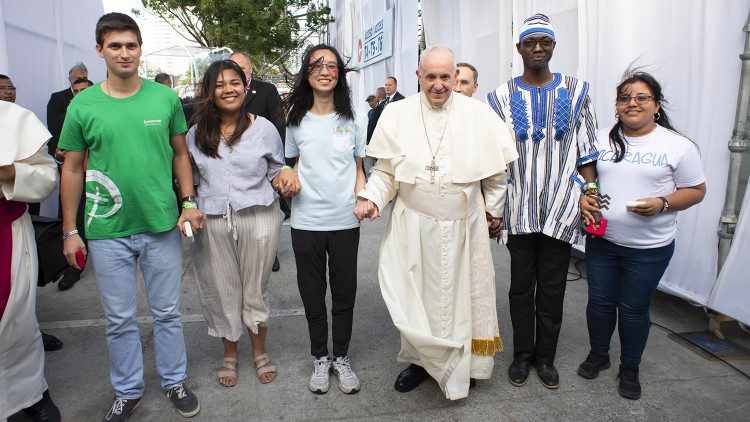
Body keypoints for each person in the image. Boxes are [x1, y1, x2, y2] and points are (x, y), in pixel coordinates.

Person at [58, 12, 202, 421]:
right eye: (116, 46)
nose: (125, 53)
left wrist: (188, 202)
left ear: (141, 49)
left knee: (168, 312)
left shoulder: (165, 98)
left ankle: (174, 381)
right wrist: (70, 230)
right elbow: (71, 168)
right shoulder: (83, 104)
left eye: (132, 45)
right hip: (107, 229)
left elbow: (180, 154)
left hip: (160, 224)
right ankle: (128, 390)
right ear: (100, 50)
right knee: (119, 319)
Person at [355, 46, 518, 400]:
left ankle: (464, 366)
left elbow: (494, 174)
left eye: (446, 77)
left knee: (464, 300)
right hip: (413, 224)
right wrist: (371, 197)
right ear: (418, 76)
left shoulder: (478, 115)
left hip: (464, 227)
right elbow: (387, 173)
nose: (439, 85)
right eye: (431, 77)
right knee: (415, 299)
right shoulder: (396, 114)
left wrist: (493, 213)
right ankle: (419, 364)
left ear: (456, 76)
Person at [487, 13, 599, 390]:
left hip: (561, 205)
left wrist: (591, 195)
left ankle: (545, 358)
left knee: (553, 288)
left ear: (553, 46)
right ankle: (521, 355)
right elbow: (493, 158)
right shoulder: (500, 97)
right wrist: (494, 209)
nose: (537, 48)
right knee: (520, 287)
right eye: (530, 42)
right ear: (519, 48)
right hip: (519, 206)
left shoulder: (578, 90)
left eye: (545, 42)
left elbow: (587, 153)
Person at [578, 71, 706, 400]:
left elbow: (696, 191)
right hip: (602, 242)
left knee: (634, 309)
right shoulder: (602, 138)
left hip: (648, 248)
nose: (632, 103)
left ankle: (630, 367)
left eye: (642, 98)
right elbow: (586, 170)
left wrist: (662, 203)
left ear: (657, 106)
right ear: (617, 106)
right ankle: (599, 355)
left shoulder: (677, 146)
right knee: (600, 303)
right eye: (624, 98)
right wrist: (587, 192)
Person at [186, 60, 300, 388]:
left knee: (255, 288)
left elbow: (275, 167)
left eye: (234, 83)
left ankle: (260, 351)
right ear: (210, 92)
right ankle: (230, 354)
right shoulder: (197, 132)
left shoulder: (263, 127)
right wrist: (187, 206)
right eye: (219, 84)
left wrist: (286, 176)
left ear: (245, 86)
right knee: (221, 289)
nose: (228, 90)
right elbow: (190, 180)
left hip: (259, 217)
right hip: (213, 221)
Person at [284, 44, 366, 395]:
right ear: (307, 72)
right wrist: (287, 177)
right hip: (306, 222)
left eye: (331, 65)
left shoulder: (354, 117)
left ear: (340, 74)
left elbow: (360, 168)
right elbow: (288, 164)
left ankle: (342, 358)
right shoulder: (295, 119)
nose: (324, 70)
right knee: (313, 295)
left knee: (344, 294)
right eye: (317, 65)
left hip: (346, 221)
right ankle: (320, 357)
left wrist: (364, 198)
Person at [0, 101, 61, 422]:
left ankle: (30, 393)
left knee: (17, 321)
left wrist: (10, 171)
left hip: (5, 229)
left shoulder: (12, 119)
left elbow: (47, 175)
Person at [229, 51, 288, 270]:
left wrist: (278, 161)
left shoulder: (266, 90)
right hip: (232, 162)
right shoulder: (225, 91)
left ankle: (269, 252)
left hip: (262, 162)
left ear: (250, 69)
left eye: (241, 68)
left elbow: (278, 123)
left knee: (267, 208)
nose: (237, 72)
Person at [53, 77, 94, 291]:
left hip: (101, 181)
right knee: (75, 223)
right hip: (78, 179)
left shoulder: (104, 114)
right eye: (76, 91)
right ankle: (74, 267)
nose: (80, 95)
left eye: (84, 90)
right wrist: (60, 156)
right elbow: (58, 154)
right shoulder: (65, 119)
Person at [46, 62, 88, 158]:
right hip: (64, 150)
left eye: (84, 78)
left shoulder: (93, 97)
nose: (81, 81)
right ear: (70, 80)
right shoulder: (57, 97)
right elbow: (53, 127)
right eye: (78, 78)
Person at [366, 77, 405, 143]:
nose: (387, 87)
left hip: (395, 140)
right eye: (386, 85)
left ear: (395, 86)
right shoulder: (386, 101)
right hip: (384, 139)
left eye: (390, 85)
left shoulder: (400, 100)